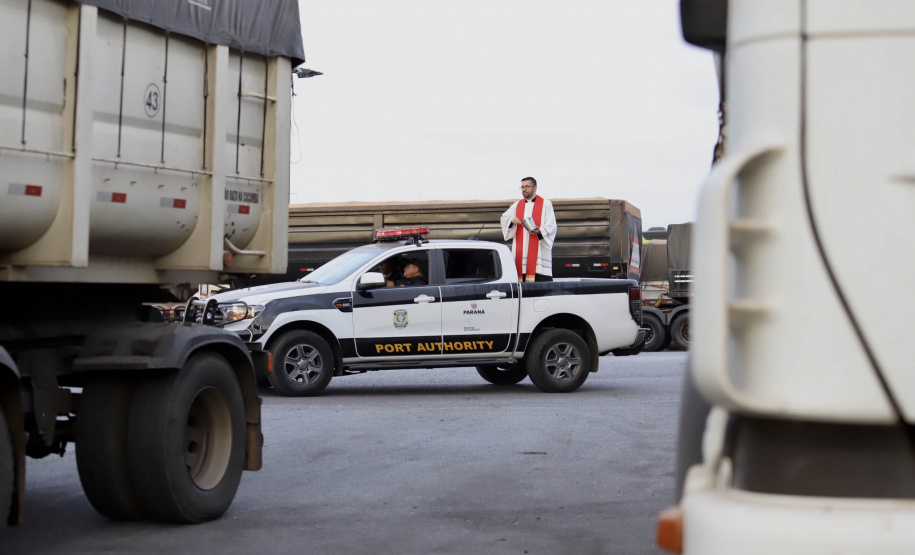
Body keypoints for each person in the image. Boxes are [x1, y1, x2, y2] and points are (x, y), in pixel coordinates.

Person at [500, 176, 557, 282]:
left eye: (527, 186)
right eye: (522, 187)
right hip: (521, 254)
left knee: (540, 286)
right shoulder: (516, 206)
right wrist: (512, 220)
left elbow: (552, 225)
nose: (524, 189)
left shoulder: (546, 204)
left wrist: (540, 230)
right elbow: (504, 218)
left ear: (535, 188)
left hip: (539, 254)